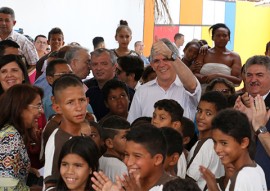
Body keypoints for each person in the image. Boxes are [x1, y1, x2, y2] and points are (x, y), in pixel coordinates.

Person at [127, 38, 201, 123]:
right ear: (152, 65)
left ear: (176, 60)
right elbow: (132, 125)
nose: (161, 64)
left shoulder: (186, 87)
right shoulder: (142, 91)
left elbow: (192, 86)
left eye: (166, 59)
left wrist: (170, 54)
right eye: (156, 61)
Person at [200, 109, 267, 191]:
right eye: (215, 142)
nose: (217, 149)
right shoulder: (257, 169)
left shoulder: (240, 178)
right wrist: (213, 185)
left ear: (244, 142)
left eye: (224, 143)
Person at [43, 74, 88, 189]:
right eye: (70, 102)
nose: (79, 107)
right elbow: (50, 186)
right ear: (57, 108)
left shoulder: (82, 134)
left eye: (82, 100)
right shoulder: (58, 141)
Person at [234, 55, 270, 189]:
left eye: (259, 75)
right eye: (249, 75)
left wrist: (260, 127)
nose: (253, 80)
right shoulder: (239, 102)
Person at [0, 84, 43, 190]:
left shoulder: (12, 132)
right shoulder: (10, 138)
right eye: (37, 106)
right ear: (20, 108)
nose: (41, 111)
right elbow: (6, 187)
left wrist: (26, 169)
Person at [186, 91, 227, 190]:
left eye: (208, 113)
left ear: (219, 117)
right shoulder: (221, 143)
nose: (201, 117)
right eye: (199, 111)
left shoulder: (206, 144)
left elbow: (188, 183)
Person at [85, 48, 135, 121]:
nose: (98, 68)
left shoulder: (128, 93)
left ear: (114, 67)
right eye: (95, 64)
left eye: (104, 64)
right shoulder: (90, 93)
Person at [193, 23, 242, 90]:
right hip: (203, 94)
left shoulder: (234, 57)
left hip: (225, 96)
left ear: (229, 38)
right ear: (212, 37)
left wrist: (218, 76)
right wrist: (203, 78)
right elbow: (194, 73)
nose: (221, 38)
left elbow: (238, 80)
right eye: (218, 35)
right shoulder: (203, 52)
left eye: (224, 36)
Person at [98, 115, 130, 182]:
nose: (129, 140)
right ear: (109, 143)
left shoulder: (99, 160)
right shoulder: (121, 167)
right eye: (124, 137)